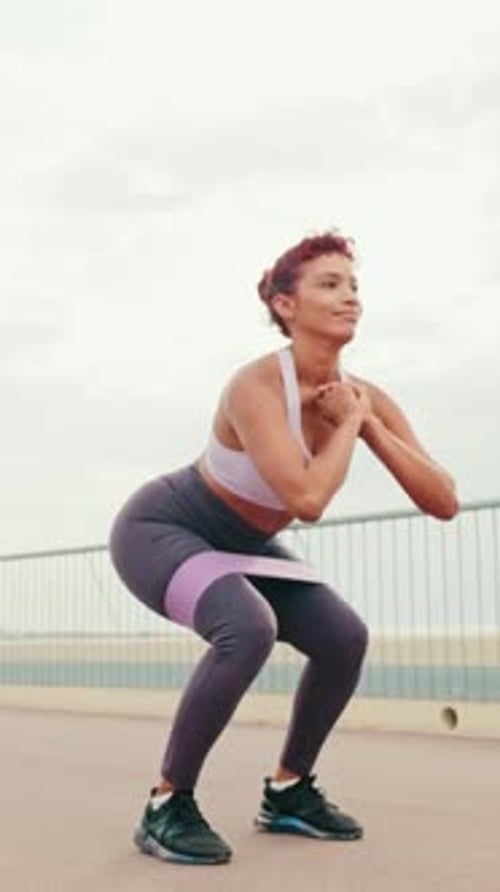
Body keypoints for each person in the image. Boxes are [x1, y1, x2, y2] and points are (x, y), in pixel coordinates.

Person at [109, 230, 458, 866]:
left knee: (343, 637)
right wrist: (349, 425)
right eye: (330, 284)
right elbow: (308, 499)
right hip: (163, 529)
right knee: (247, 628)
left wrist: (368, 422)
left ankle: (289, 791)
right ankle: (166, 804)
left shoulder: (363, 396)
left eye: (354, 285)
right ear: (285, 304)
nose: (350, 297)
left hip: (244, 541)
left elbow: (443, 500)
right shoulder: (257, 388)